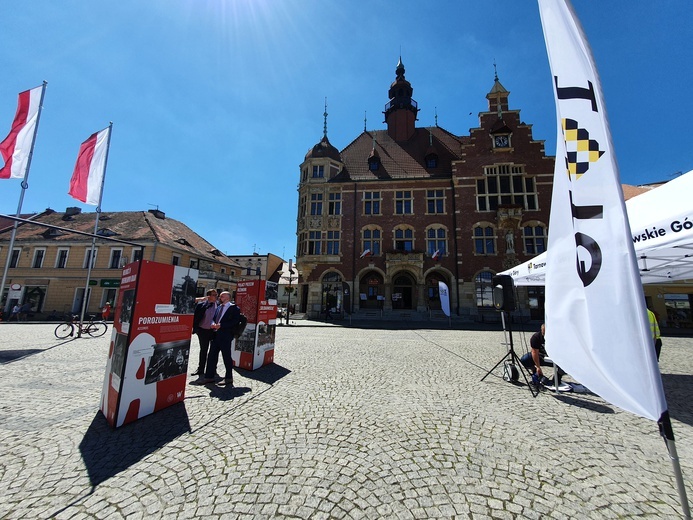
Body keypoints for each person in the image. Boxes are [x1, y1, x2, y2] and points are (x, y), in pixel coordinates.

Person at [191, 291, 240, 387]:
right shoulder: (218, 307)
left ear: (228, 298)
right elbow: (214, 318)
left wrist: (221, 325)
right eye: (220, 296)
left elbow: (235, 321)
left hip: (226, 336)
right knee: (211, 355)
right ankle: (209, 376)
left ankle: (229, 377)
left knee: (226, 356)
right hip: (216, 335)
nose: (220, 297)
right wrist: (213, 324)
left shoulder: (234, 308)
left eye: (222, 296)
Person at [520, 323, 565, 388]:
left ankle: (557, 377)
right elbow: (534, 352)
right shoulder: (536, 337)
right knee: (525, 359)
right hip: (542, 357)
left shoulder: (559, 338)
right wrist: (538, 367)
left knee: (570, 364)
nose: (545, 335)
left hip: (555, 359)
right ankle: (537, 374)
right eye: (544, 333)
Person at [191, 289, 218, 376]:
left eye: (216, 295)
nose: (216, 296)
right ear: (209, 296)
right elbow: (195, 314)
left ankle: (213, 369)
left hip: (214, 331)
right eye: (214, 295)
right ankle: (200, 369)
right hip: (202, 330)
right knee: (203, 350)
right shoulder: (201, 305)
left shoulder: (219, 306)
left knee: (214, 351)